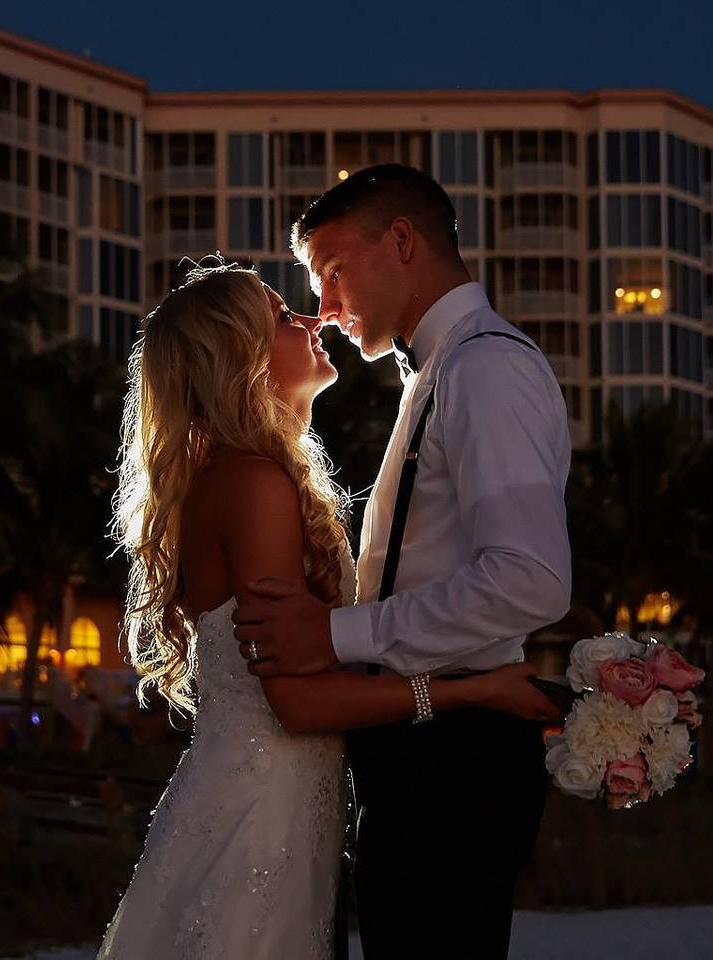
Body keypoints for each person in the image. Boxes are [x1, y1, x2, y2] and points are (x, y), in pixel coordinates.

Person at [96, 261, 547, 959]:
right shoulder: (252, 484)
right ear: (237, 356)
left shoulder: (240, 477)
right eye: (281, 317)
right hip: (259, 823)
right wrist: (477, 690)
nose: (311, 319)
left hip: (266, 809)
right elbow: (296, 705)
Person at [232, 164, 574, 959]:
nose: (327, 306)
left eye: (334, 272)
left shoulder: (486, 368)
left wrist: (336, 636)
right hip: (421, 753)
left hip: (455, 767)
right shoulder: (438, 374)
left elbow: (532, 576)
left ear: (402, 241)